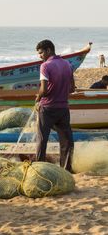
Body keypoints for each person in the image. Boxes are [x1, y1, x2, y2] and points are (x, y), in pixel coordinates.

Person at [35, 40, 75, 172]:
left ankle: (39, 168)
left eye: (41, 53)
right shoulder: (67, 64)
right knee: (66, 141)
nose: (40, 56)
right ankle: (66, 169)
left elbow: (44, 90)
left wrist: (38, 97)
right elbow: (72, 88)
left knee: (42, 139)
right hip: (63, 108)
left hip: (47, 108)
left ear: (48, 50)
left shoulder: (45, 66)